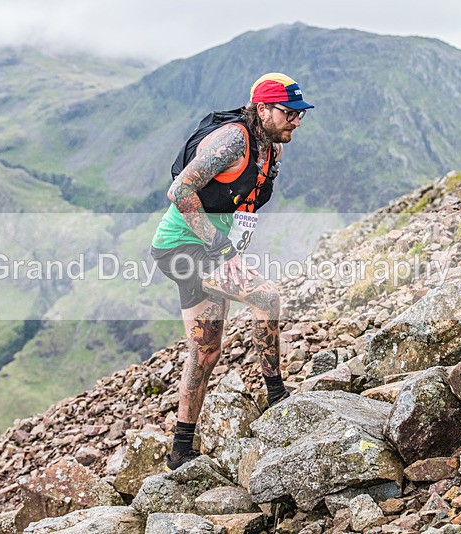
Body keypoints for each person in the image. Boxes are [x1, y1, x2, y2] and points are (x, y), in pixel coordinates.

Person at [150, 73, 313, 472]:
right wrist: (222, 250)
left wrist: (233, 249)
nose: (296, 121)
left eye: (300, 114)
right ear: (263, 109)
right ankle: (278, 398)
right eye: (289, 113)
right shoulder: (233, 140)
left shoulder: (270, 148)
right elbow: (180, 191)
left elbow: (245, 202)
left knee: (206, 349)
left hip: (206, 247)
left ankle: (180, 451)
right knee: (266, 296)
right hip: (182, 247)